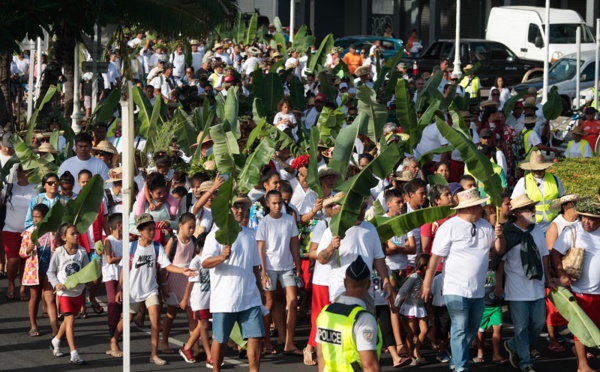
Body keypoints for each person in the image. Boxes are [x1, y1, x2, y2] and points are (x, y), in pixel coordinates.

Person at [421, 188, 506, 372]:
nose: (481, 207)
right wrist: (427, 283)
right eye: (478, 205)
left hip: (478, 289)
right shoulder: (449, 227)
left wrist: (499, 235)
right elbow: (435, 257)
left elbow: (498, 249)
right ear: (469, 208)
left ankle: (456, 358)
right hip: (455, 288)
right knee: (459, 327)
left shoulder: (485, 225)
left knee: (472, 328)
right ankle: (461, 367)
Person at [111, 214, 196, 365]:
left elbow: (167, 265)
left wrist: (183, 271)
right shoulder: (131, 247)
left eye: (153, 229)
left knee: (155, 321)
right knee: (127, 319)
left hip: (151, 289)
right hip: (133, 290)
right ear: (140, 231)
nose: (152, 232)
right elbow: (124, 269)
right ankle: (113, 340)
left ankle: (154, 354)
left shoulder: (157, 247)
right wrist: (119, 289)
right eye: (149, 229)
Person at [202, 196, 265, 372]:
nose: (239, 211)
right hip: (224, 298)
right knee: (220, 340)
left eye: (242, 208)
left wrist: (261, 293)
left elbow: (254, 268)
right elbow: (204, 263)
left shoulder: (251, 235)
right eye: (235, 207)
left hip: (249, 297)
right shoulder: (216, 234)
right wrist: (221, 257)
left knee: (256, 337)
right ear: (228, 209)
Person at [496, 194, 554, 372]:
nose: (533, 212)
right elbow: (500, 262)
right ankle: (526, 362)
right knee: (521, 327)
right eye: (529, 209)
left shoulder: (536, 230)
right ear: (518, 213)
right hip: (516, 287)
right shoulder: (507, 232)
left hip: (536, 284)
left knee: (538, 323)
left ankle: (513, 344)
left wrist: (548, 277)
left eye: (533, 208)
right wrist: (498, 285)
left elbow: (544, 255)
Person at [551, 199, 600, 372]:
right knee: (582, 328)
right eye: (584, 217)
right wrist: (561, 274)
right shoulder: (573, 231)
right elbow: (555, 252)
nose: (586, 221)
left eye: (591, 219)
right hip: (581, 290)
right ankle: (582, 365)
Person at [316, 256, 382, 372]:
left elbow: (321, 357)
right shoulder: (363, 319)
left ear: (345, 282)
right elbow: (369, 366)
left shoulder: (325, 313)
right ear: (368, 284)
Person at [257, 190, 302, 355]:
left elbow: (294, 245)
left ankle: (289, 342)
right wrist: (263, 272)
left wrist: (298, 267)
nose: (277, 206)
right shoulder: (264, 223)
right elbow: (260, 249)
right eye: (274, 203)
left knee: (292, 303)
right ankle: (266, 342)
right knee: (268, 303)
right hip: (269, 269)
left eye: (280, 203)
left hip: (287, 268)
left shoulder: (289, 220)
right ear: (268, 204)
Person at [47, 223, 90, 365]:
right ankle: (74, 354)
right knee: (70, 320)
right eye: (72, 234)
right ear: (64, 237)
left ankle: (56, 340)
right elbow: (50, 272)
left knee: (69, 320)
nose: (76, 235)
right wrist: (56, 284)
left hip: (78, 292)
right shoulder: (59, 252)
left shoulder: (82, 252)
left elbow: (86, 271)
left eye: (76, 233)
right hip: (64, 292)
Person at [544, 194, 583, 353]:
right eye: (574, 204)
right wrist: (557, 273)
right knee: (554, 309)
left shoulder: (581, 223)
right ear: (566, 206)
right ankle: (553, 340)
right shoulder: (556, 225)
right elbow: (550, 251)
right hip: (558, 273)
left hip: (577, 273)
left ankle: (579, 343)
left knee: (577, 309)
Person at [160, 213, 198, 354]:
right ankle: (164, 341)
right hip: (174, 279)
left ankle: (194, 346)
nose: (192, 230)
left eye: (194, 227)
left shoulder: (193, 241)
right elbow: (165, 265)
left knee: (191, 313)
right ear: (180, 226)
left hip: (188, 280)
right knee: (171, 313)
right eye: (189, 227)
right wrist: (164, 284)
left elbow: (194, 259)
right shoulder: (173, 242)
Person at [20, 204, 57, 337]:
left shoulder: (53, 232)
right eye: (34, 217)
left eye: (38, 217)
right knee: (34, 297)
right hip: (33, 269)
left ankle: (55, 328)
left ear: (45, 217)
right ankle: (33, 325)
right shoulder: (29, 233)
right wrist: (28, 249)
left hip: (49, 268)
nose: (36, 219)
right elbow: (22, 253)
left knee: (50, 298)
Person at [4, 165, 36, 301]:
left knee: (25, 261)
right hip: (10, 229)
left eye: (26, 171)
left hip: (28, 231)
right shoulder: (9, 187)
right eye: (20, 171)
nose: (22, 174)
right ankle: (11, 283)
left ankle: (23, 288)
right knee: (13, 260)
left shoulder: (36, 188)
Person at [512, 150, 565, 232]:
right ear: (531, 168)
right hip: (532, 225)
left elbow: (562, 198)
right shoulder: (523, 181)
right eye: (535, 169)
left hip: (553, 223)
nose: (538, 171)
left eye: (540, 169)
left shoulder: (555, 179)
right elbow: (514, 203)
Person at [179, 232, 211, 364]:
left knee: (202, 325)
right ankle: (210, 356)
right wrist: (185, 299)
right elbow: (190, 282)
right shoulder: (196, 261)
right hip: (199, 299)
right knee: (204, 325)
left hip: (210, 299)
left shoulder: (212, 259)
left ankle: (187, 347)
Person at [394, 253, 430, 365]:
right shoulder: (414, 277)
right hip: (410, 307)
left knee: (424, 330)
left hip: (420, 306)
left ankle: (416, 350)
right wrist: (397, 303)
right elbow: (402, 290)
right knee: (411, 332)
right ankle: (410, 355)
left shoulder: (426, 277)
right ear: (425, 267)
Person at [102, 213, 122, 343]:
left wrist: (118, 259)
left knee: (121, 301)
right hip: (111, 275)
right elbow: (110, 260)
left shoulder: (127, 240)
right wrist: (125, 257)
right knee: (112, 301)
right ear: (119, 226)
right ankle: (112, 327)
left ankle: (118, 328)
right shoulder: (109, 240)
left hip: (122, 274)